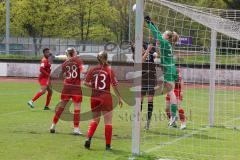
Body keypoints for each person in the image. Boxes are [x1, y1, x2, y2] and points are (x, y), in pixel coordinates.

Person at [145, 16, 179, 127]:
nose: (162, 34)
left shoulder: (164, 43)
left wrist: (149, 22)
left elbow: (156, 33)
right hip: (172, 68)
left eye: (164, 34)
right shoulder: (168, 44)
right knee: (171, 92)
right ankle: (173, 120)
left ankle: (174, 116)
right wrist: (157, 56)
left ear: (167, 37)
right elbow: (158, 33)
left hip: (169, 70)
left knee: (171, 92)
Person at [84, 51, 123, 150]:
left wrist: (93, 86)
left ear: (98, 58)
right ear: (106, 58)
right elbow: (114, 85)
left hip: (94, 97)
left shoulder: (92, 69)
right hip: (106, 97)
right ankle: (108, 145)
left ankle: (88, 138)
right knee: (108, 122)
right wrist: (119, 97)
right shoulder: (109, 70)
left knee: (95, 120)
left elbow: (85, 83)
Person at [50, 47, 83, 135]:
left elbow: (62, 75)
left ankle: (53, 125)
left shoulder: (64, 63)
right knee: (77, 108)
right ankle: (76, 129)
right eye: (75, 52)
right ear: (73, 53)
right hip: (76, 87)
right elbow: (82, 71)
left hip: (67, 87)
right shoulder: (78, 61)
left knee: (61, 107)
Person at [131, 41, 157, 130]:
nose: (141, 47)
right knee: (140, 101)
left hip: (151, 79)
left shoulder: (150, 53)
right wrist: (147, 51)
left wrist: (158, 47)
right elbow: (141, 62)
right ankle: (137, 122)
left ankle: (148, 123)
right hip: (142, 80)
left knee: (150, 100)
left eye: (141, 46)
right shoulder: (135, 56)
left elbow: (157, 55)